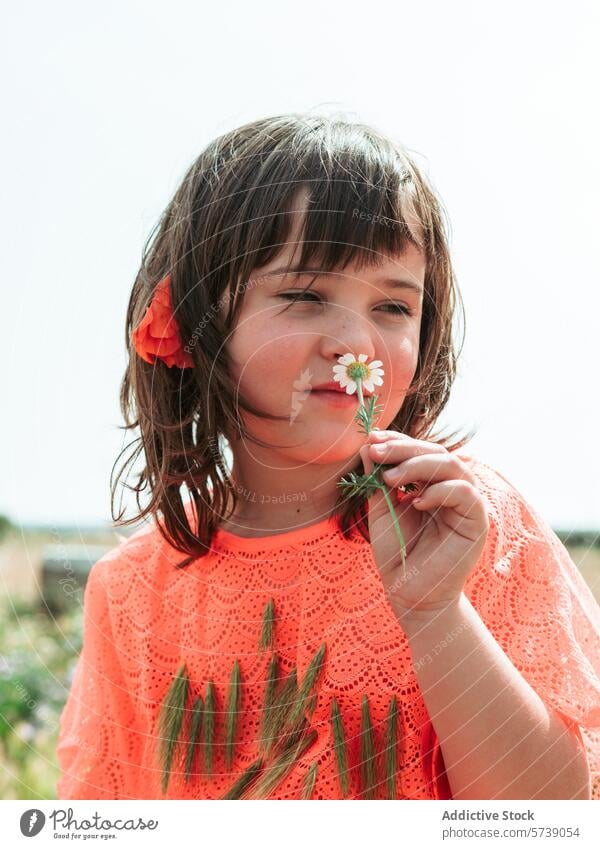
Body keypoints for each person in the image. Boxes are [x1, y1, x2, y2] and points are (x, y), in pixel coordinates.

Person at [56, 113, 600, 800]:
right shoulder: (132, 590)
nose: (355, 341)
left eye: (394, 307)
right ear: (198, 320)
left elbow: (552, 815)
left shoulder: (470, 526)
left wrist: (438, 613)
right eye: (304, 295)